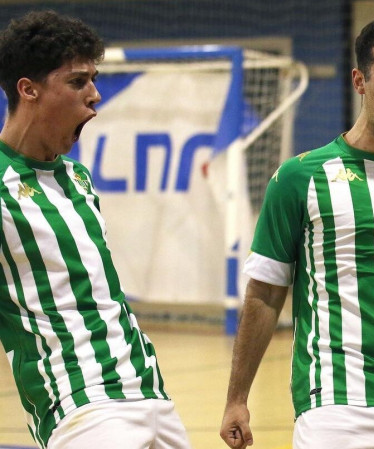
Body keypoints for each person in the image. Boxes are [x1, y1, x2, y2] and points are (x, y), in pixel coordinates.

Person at [220, 13, 374, 449]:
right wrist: (237, 398)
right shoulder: (300, 177)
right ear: (359, 81)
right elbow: (265, 293)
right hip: (339, 409)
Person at [0, 10, 191, 449]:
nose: (95, 95)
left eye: (94, 79)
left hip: (149, 391)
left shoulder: (78, 179)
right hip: (79, 404)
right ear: (28, 89)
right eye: (77, 81)